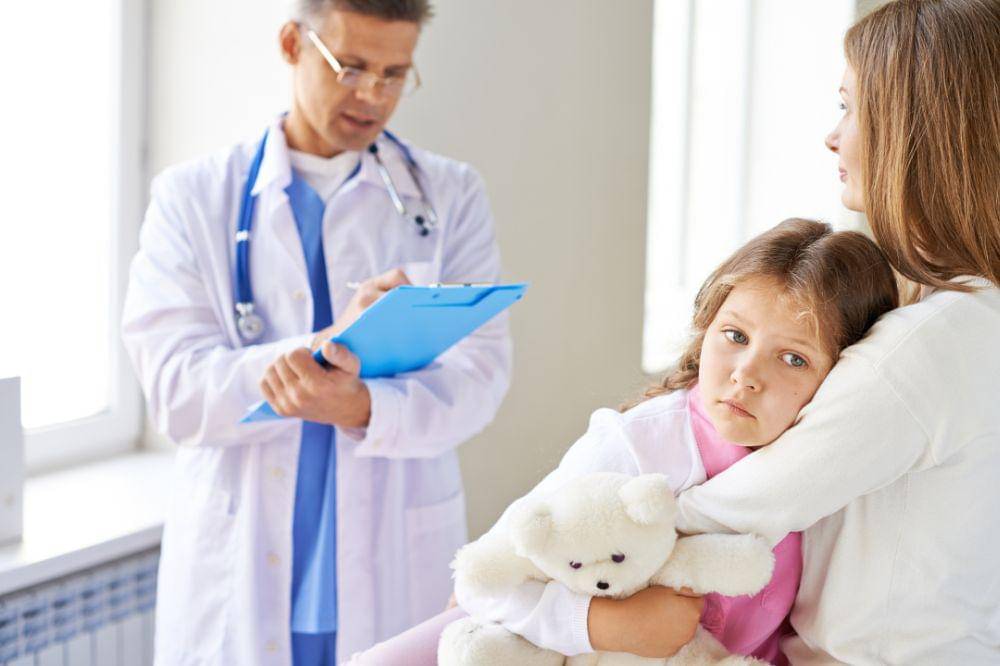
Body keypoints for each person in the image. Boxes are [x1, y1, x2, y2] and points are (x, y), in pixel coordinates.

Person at [121, 1, 512, 664]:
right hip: (241, 563)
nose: (372, 96)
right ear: (291, 44)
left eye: (394, 74)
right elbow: (175, 390)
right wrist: (323, 350)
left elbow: (481, 375)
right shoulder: (191, 198)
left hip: (392, 552)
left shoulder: (448, 196)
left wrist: (363, 406)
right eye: (351, 67)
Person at [348, 218, 900, 665]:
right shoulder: (640, 445)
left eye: (793, 358)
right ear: (705, 327)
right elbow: (481, 583)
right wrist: (598, 623)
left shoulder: (826, 473)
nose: (746, 375)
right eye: (734, 336)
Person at [672, 1, 1000, 663]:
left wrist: (527, 561)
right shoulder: (974, 317)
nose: (832, 136)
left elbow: (728, 511)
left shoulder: (926, 347)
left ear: (918, 133)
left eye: (850, 108)